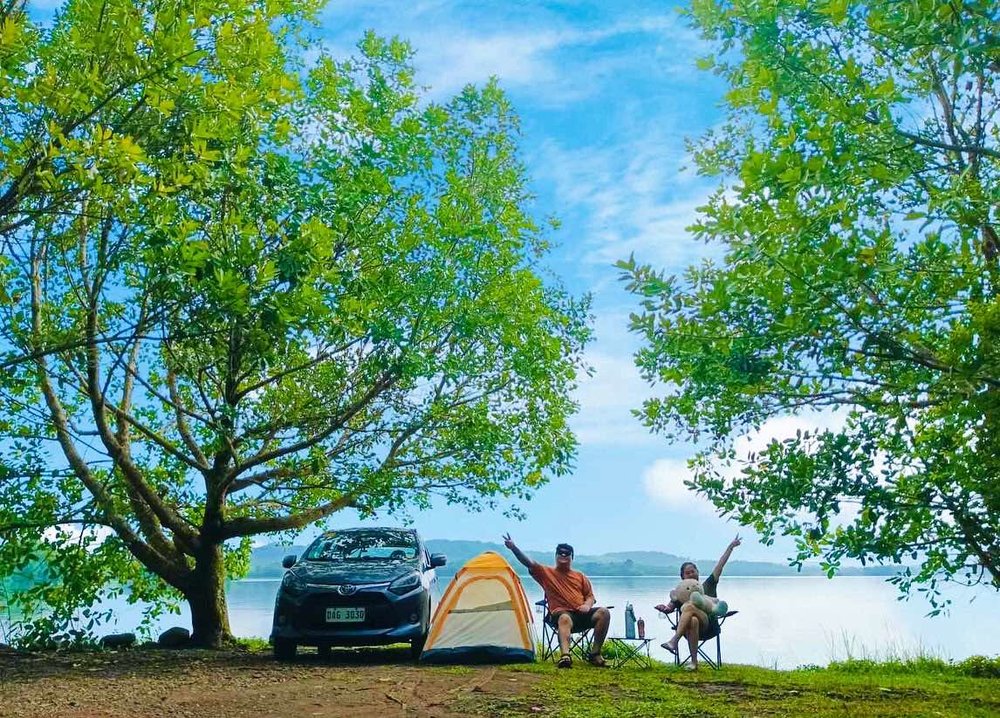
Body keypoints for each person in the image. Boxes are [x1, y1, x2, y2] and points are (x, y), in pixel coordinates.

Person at [502, 533, 610, 668]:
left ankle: (595, 654)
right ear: (556, 556)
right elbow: (528, 562)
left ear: (572, 557)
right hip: (560, 616)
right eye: (560, 553)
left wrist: (587, 605)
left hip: (582, 615)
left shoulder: (580, 576)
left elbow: (590, 596)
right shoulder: (546, 573)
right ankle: (565, 656)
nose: (563, 555)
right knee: (565, 617)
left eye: (567, 553)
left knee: (604, 613)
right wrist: (513, 548)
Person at [654, 534, 741, 670]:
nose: (691, 574)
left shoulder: (708, 585)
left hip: (708, 627)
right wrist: (663, 608)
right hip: (688, 628)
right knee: (693, 620)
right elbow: (669, 608)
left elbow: (720, 565)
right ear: (682, 577)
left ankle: (674, 640)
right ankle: (694, 663)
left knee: (689, 606)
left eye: (693, 571)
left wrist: (731, 547)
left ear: (698, 572)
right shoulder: (681, 592)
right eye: (687, 573)